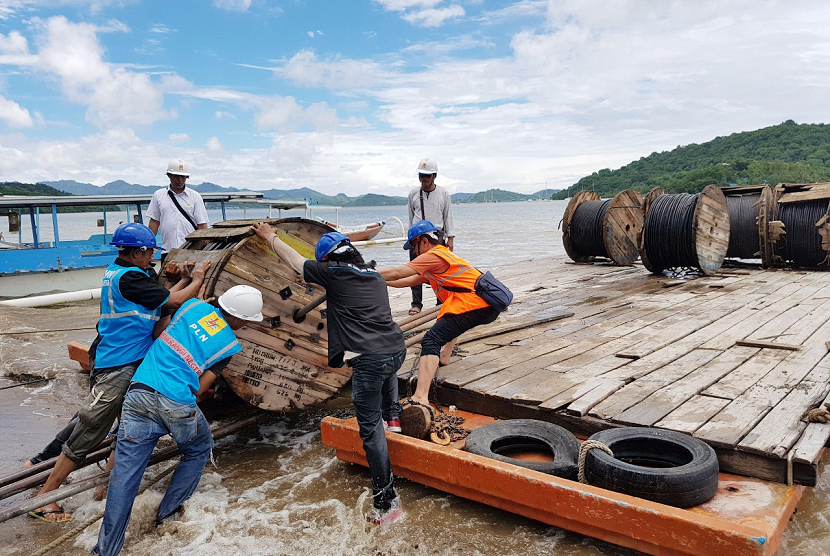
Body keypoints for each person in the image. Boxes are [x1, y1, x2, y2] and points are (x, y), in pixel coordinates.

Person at [27, 223, 209, 523]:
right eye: (149, 252)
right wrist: (197, 280)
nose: (151, 258)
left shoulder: (123, 273)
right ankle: (47, 496)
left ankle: (103, 490)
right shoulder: (131, 279)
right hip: (118, 365)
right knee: (91, 427)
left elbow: (160, 299)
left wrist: (183, 279)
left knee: (125, 425)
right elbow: (173, 301)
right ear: (138, 252)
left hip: (123, 359)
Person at [251, 222, 406, 525]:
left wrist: (271, 237)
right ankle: (394, 417)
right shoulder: (374, 276)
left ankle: (387, 503)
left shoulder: (333, 273)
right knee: (377, 364)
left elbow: (295, 262)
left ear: (329, 261)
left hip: (370, 359)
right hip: (396, 349)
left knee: (369, 427)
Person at [91, 285, 263, 556]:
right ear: (242, 319)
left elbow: (158, 332)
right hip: (176, 402)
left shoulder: (192, 306)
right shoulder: (230, 345)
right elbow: (198, 389)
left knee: (124, 479)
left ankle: (105, 550)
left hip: (138, 394)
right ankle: (167, 514)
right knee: (197, 449)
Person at [378, 220, 502, 406]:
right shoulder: (444, 256)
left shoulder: (434, 255)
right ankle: (445, 355)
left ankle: (420, 397)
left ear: (424, 241)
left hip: (476, 305)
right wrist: (380, 281)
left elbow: (397, 272)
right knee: (450, 321)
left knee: (431, 340)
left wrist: (361, 274)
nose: (414, 252)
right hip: (485, 305)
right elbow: (408, 279)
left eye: (414, 246)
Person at [407, 157, 454, 316]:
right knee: (415, 269)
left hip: (436, 237)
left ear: (434, 176)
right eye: (421, 175)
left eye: (427, 176)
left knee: (439, 270)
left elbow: (448, 216)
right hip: (418, 238)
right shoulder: (413, 194)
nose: (424, 179)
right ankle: (416, 303)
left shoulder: (443, 193)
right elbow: (410, 217)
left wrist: (450, 238)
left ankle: (440, 301)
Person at [147, 159, 209, 255]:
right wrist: (148, 246)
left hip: (191, 251)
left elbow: (201, 225)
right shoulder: (158, 196)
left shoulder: (195, 196)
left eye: (183, 177)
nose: (180, 180)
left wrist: (204, 250)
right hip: (167, 250)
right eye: (177, 176)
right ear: (169, 176)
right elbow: (154, 222)